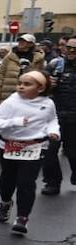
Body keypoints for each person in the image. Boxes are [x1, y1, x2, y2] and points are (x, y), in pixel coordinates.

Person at [0, 70, 59, 235]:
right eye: (20, 83)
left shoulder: (48, 103)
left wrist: (54, 131)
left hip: (34, 147)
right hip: (8, 146)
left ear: (40, 88)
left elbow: (51, 120)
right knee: (7, 179)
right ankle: (5, 202)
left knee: (26, 183)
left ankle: (22, 217)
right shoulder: (11, 102)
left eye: (27, 84)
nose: (21, 87)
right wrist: (16, 122)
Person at [40, 37, 76, 194]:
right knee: (48, 150)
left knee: (72, 152)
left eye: (74, 49)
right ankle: (52, 182)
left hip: (74, 119)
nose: (71, 52)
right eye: (68, 48)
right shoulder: (56, 65)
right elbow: (39, 86)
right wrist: (48, 85)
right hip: (55, 116)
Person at [0, 34, 45, 103]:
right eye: (19, 41)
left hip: (28, 94)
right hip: (8, 94)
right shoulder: (10, 56)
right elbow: (0, 75)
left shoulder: (38, 58)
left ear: (31, 44)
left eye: (24, 41)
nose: (20, 43)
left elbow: (41, 76)